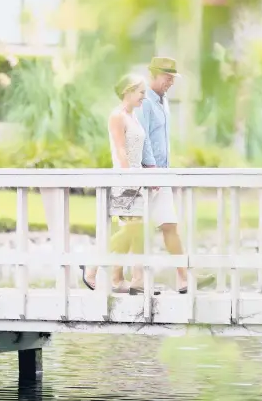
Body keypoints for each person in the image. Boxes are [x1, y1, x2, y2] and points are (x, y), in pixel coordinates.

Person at [80, 73, 161, 295]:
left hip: (137, 179)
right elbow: (120, 149)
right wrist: (129, 178)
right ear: (128, 91)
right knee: (133, 229)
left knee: (134, 230)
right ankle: (93, 266)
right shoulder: (117, 116)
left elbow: (138, 150)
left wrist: (147, 175)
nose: (144, 96)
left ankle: (119, 279)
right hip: (125, 180)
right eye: (141, 92)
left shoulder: (133, 116)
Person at [136, 56, 190, 293]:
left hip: (162, 174)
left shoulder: (163, 101)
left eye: (173, 78)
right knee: (134, 230)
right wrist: (150, 169)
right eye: (168, 77)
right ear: (154, 75)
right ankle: (102, 273)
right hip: (149, 175)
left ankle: (184, 278)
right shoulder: (144, 100)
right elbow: (142, 135)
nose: (171, 82)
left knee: (169, 226)